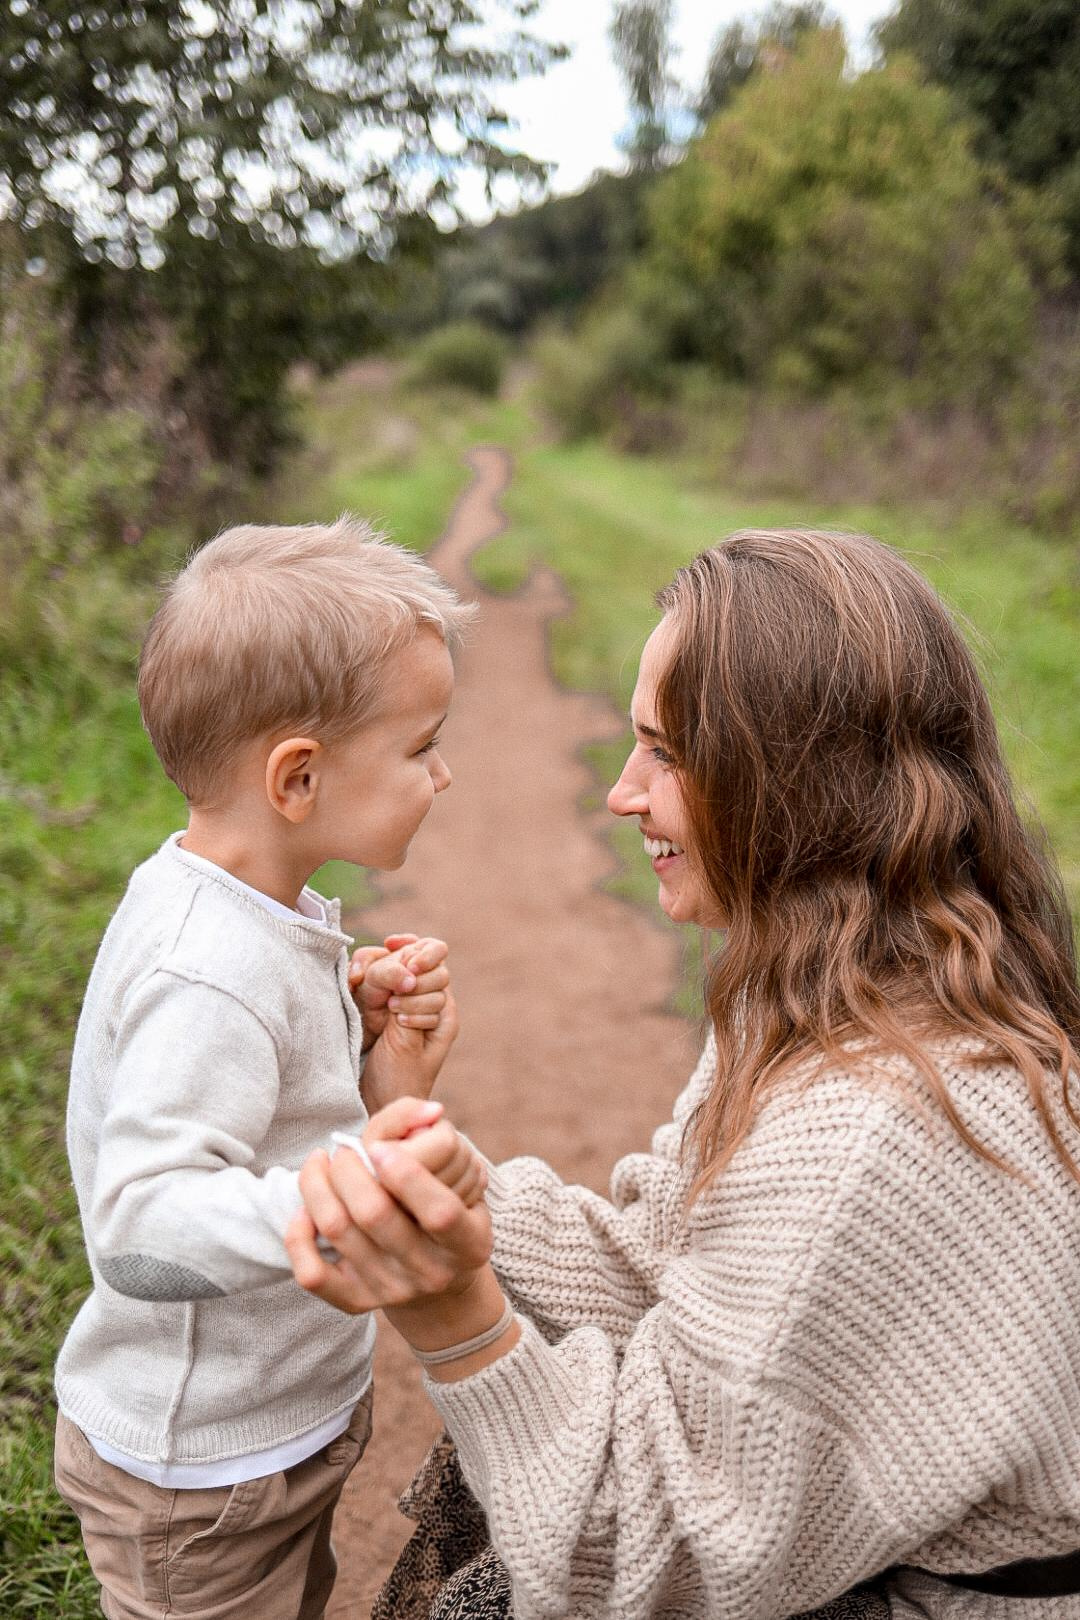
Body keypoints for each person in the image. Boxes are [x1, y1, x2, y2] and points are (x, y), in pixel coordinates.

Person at [288, 528, 1080, 1620]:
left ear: (792, 780)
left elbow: (650, 1559)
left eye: (666, 753)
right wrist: (437, 1162)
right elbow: (669, 1266)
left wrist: (455, 1317)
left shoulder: (869, 1129)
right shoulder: (825, 986)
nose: (622, 794)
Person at [53, 519, 488, 1620]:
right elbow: (142, 1227)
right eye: (419, 745)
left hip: (271, 1430)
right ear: (297, 777)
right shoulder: (210, 972)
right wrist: (332, 1202)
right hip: (200, 1476)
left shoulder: (257, 912)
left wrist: (364, 1054)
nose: (444, 772)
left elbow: (264, 1111)